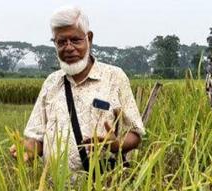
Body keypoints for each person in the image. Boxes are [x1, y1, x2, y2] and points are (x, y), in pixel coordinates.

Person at [9, 6, 145, 172]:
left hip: (102, 188)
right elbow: (38, 138)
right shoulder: (51, 83)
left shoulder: (114, 77)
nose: (68, 48)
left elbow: (135, 133)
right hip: (54, 190)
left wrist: (117, 145)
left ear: (89, 38)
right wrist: (28, 148)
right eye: (61, 42)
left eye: (75, 40)